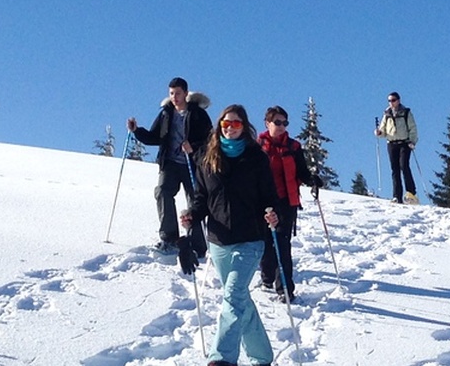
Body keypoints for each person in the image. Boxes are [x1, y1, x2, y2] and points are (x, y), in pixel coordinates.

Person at [180, 104, 283, 366]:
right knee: (239, 300)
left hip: (250, 239)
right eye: (226, 124)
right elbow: (202, 197)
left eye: (236, 124)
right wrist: (192, 213)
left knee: (233, 295)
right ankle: (262, 357)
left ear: (244, 127)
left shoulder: (256, 158)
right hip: (219, 242)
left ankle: (222, 358)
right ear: (219, 127)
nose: (230, 128)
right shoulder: (208, 157)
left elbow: (268, 196)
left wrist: (272, 213)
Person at [129, 77, 212, 251]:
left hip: (193, 163)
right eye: (172, 93)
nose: (174, 97)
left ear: (186, 94)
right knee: (162, 192)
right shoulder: (166, 113)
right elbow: (155, 137)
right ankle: (169, 238)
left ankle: (197, 244)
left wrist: (193, 147)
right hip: (170, 163)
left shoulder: (198, 114)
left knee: (195, 201)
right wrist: (137, 131)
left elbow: (210, 140)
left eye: (178, 93)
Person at [257, 106, 318, 303]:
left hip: (286, 201)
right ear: (267, 123)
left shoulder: (294, 147)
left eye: (285, 123)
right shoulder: (258, 146)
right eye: (277, 122)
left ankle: (285, 288)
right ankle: (266, 277)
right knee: (266, 242)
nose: (282, 126)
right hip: (263, 202)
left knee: (282, 244)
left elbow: (302, 171)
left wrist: (313, 180)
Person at [374, 91, 418, 204]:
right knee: (395, 169)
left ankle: (411, 193)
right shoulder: (387, 114)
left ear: (398, 101)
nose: (391, 103)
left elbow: (412, 128)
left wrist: (413, 141)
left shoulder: (406, 112)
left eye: (393, 100)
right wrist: (379, 133)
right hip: (391, 143)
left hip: (405, 143)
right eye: (389, 101)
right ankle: (397, 196)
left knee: (404, 166)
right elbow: (383, 130)